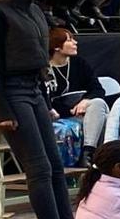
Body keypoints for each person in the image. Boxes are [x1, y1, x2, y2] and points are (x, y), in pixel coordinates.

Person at [0, 0, 77, 219]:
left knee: (55, 165)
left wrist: (46, 99)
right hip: (13, 93)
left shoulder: (37, 12)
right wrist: (2, 111)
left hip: (37, 90)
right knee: (37, 168)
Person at [45, 23, 112, 155]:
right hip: (61, 115)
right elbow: (47, 100)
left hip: (85, 112)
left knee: (98, 103)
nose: (75, 42)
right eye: (69, 40)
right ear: (57, 46)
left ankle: (88, 151)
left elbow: (98, 89)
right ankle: (97, 157)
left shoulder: (79, 63)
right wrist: (71, 110)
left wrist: (86, 101)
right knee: (104, 118)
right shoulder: (45, 69)